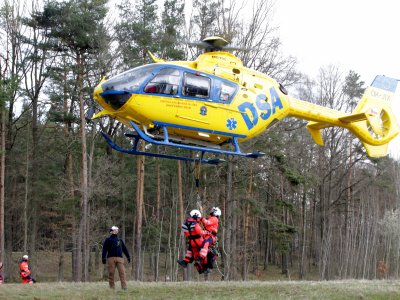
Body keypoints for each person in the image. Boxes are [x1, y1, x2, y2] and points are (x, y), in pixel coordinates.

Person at [177, 209, 208, 273]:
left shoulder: (185, 224)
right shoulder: (195, 224)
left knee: (190, 251)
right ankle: (202, 263)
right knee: (207, 245)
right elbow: (200, 232)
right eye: (199, 218)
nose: (199, 219)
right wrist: (207, 232)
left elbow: (186, 233)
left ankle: (185, 262)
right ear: (195, 216)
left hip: (191, 241)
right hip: (199, 241)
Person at [102, 226, 131, 290]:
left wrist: (128, 256)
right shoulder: (108, 240)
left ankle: (124, 287)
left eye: (117, 230)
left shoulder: (120, 240)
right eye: (115, 230)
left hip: (120, 259)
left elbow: (124, 249)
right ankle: (112, 288)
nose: (116, 231)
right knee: (111, 273)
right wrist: (103, 258)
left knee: (122, 273)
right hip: (111, 259)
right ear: (111, 231)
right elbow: (104, 249)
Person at [198, 207, 221, 274]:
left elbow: (207, 222)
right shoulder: (211, 218)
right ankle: (206, 267)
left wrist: (201, 218)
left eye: (213, 210)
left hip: (210, 237)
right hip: (206, 236)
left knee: (206, 243)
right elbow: (205, 224)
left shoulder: (214, 219)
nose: (211, 211)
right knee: (209, 252)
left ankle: (201, 258)